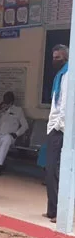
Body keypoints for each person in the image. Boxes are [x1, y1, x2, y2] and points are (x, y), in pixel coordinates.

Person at [44, 44, 69, 224]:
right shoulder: (59, 75)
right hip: (56, 128)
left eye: (58, 58)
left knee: (54, 170)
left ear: (66, 58)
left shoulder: (68, 75)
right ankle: (52, 209)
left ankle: (58, 212)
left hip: (60, 130)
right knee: (50, 170)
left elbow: (65, 105)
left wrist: (57, 126)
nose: (55, 61)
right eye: (53, 57)